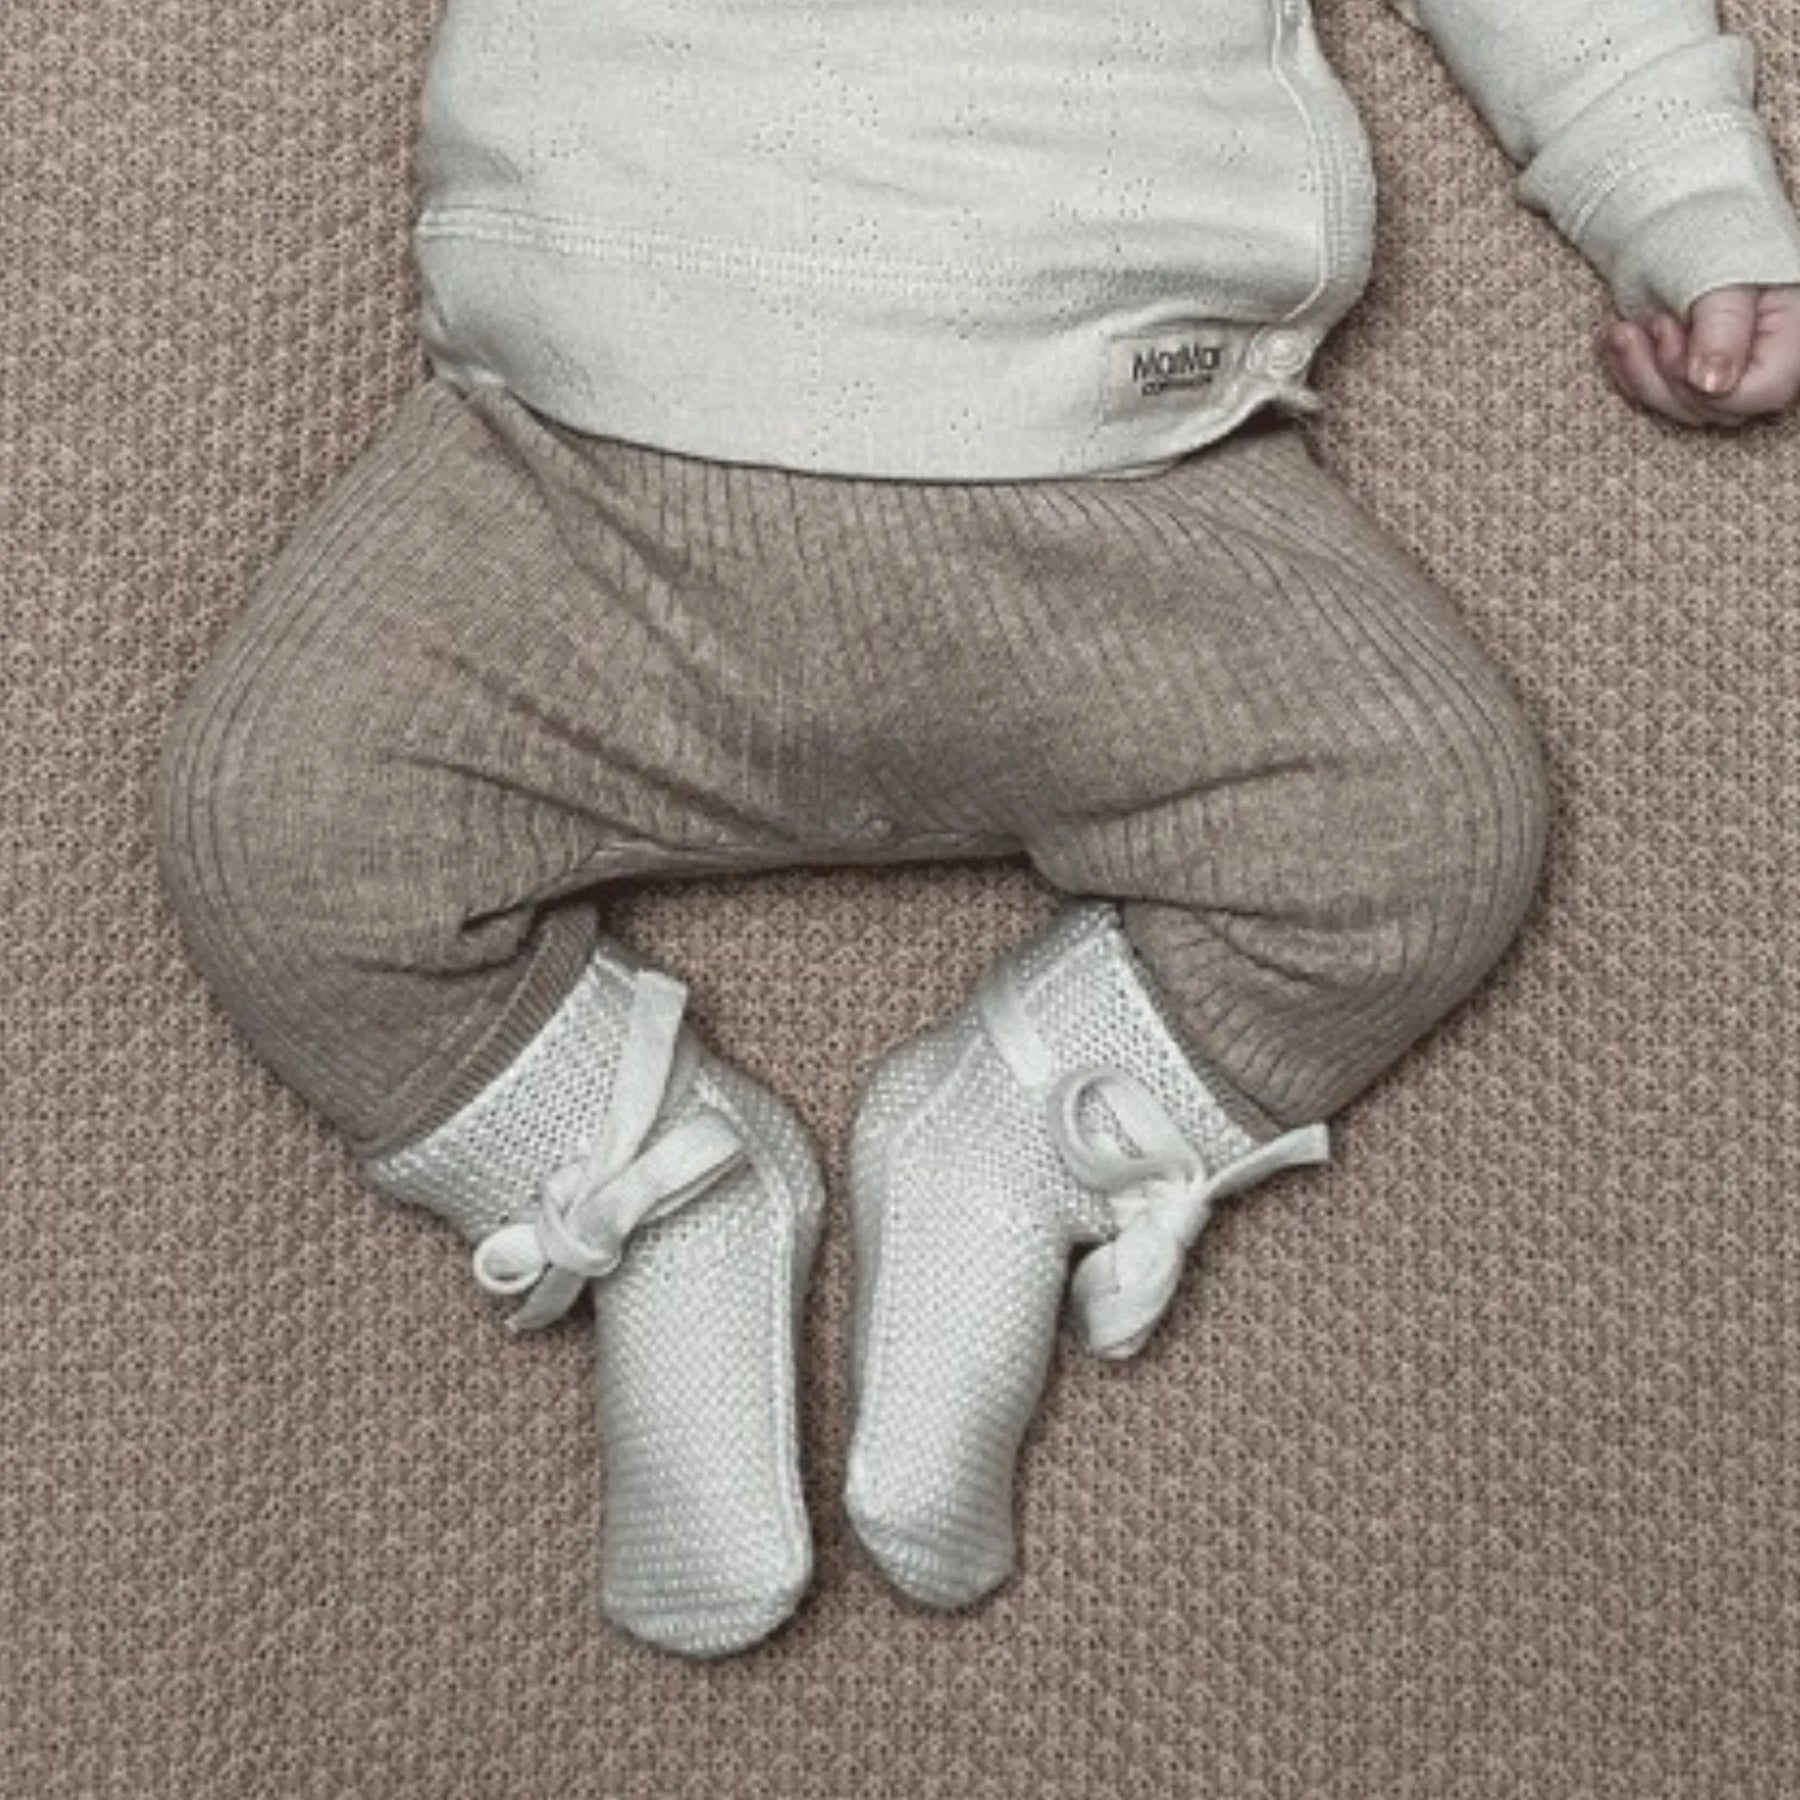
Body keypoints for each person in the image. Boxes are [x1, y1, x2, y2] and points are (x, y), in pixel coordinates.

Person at [150, 0, 1800, 1657]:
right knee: (278, 826)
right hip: (563, 466)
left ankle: (1021, 1130)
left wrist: (1688, 201)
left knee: (1429, 823)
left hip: (1134, 480)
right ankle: (646, 1176)